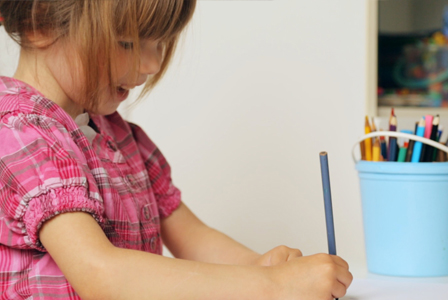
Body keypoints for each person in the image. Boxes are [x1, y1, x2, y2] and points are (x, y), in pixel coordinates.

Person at [0, 1, 353, 299]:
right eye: (127, 43)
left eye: (159, 43)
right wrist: (272, 286)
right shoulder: (20, 134)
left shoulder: (118, 134)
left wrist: (259, 265)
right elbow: (100, 273)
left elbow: (192, 238)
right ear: (39, 25)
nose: (152, 65)